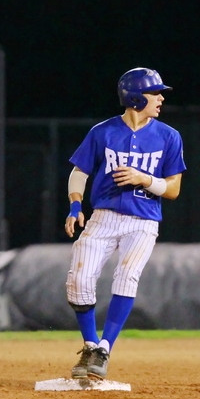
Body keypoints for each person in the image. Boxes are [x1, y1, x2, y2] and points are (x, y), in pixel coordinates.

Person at [64, 67, 187, 381]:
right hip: (102, 218)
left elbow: (173, 189)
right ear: (134, 97)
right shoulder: (102, 132)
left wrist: (144, 179)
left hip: (143, 221)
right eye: (154, 92)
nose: (160, 98)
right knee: (78, 280)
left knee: (127, 274)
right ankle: (90, 345)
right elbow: (80, 172)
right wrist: (75, 204)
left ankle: (105, 348)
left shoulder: (169, 136)